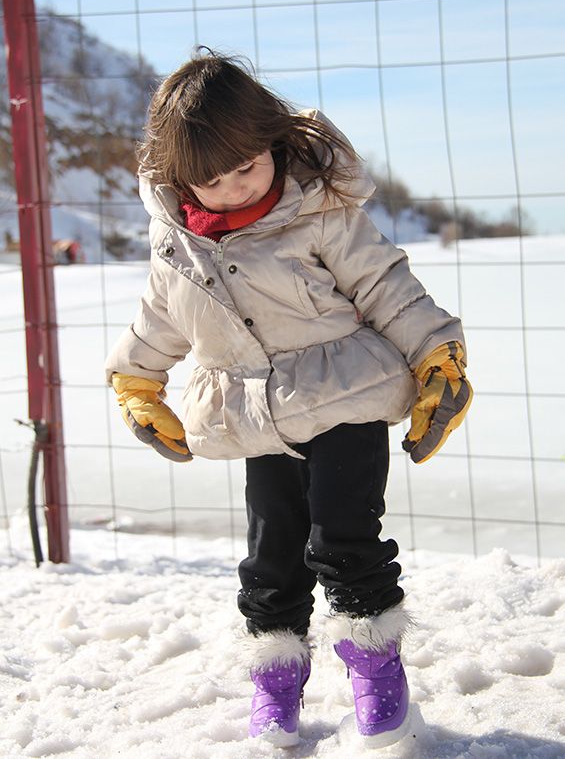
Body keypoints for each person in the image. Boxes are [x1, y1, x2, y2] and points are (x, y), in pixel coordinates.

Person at [105, 49, 472, 748]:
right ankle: (277, 679)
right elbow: (160, 318)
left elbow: (386, 286)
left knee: (342, 537)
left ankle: (375, 666)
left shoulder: (322, 212)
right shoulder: (179, 244)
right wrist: (137, 381)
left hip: (345, 399)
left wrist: (436, 354)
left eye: (246, 167)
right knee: (270, 559)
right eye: (210, 181)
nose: (232, 189)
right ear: (180, 179)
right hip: (256, 419)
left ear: (271, 142)